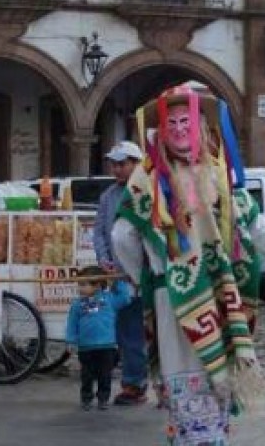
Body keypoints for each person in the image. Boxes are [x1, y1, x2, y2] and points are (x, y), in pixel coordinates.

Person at [111, 85, 265, 445]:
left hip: (203, 293)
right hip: (182, 296)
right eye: (171, 122)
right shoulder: (149, 180)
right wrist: (152, 276)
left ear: (203, 128)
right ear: (159, 131)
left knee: (207, 379)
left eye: (185, 121)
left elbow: (250, 223)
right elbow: (122, 236)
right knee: (194, 376)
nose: (178, 129)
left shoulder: (217, 175)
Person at [92, 140, 148, 405]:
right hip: (119, 277)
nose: (116, 169)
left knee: (153, 331)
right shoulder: (108, 197)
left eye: (122, 164)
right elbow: (100, 233)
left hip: (147, 275)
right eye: (113, 164)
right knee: (127, 332)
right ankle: (134, 383)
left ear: (136, 164)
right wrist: (103, 260)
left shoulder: (149, 193)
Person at [65, 265, 134, 411]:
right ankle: (86, 398)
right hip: (86, 347)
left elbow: (125, 298)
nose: (80, 289)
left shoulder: (109, 299)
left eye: (84, 285)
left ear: (97, 285)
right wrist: (71, 340)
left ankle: (103, 398)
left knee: (105, 375)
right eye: (79, 285)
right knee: (86, 375)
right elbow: (72, 323)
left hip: (107, 346)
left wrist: (116, 281)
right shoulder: (78, 304)